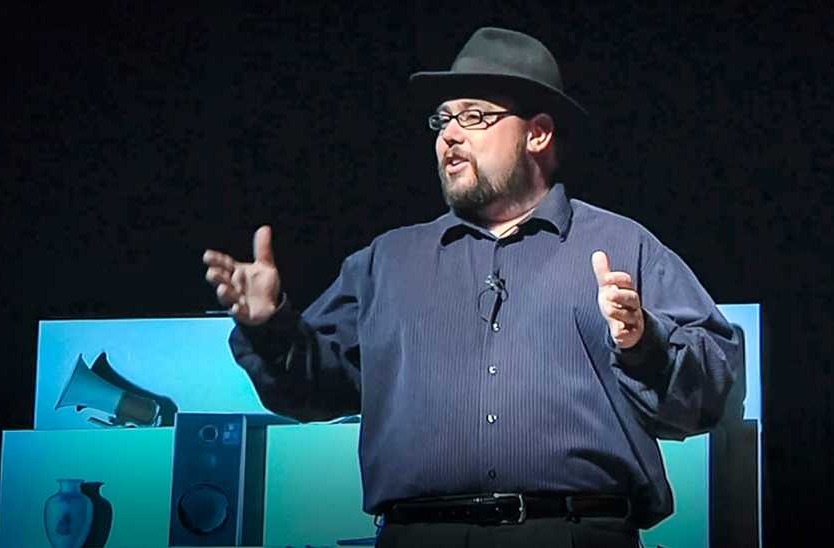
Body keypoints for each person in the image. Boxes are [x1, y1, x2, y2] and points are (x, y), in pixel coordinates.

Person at [203, 27, 740, 548]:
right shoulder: (387, 261)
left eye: (475, 117)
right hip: (419, 534)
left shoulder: (622, 244)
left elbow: (711, 390)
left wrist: (643, 342)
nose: (449, 136)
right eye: (442, 120)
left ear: (538, 134)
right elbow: (312, 390)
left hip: (573, 534)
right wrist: (269, 325)